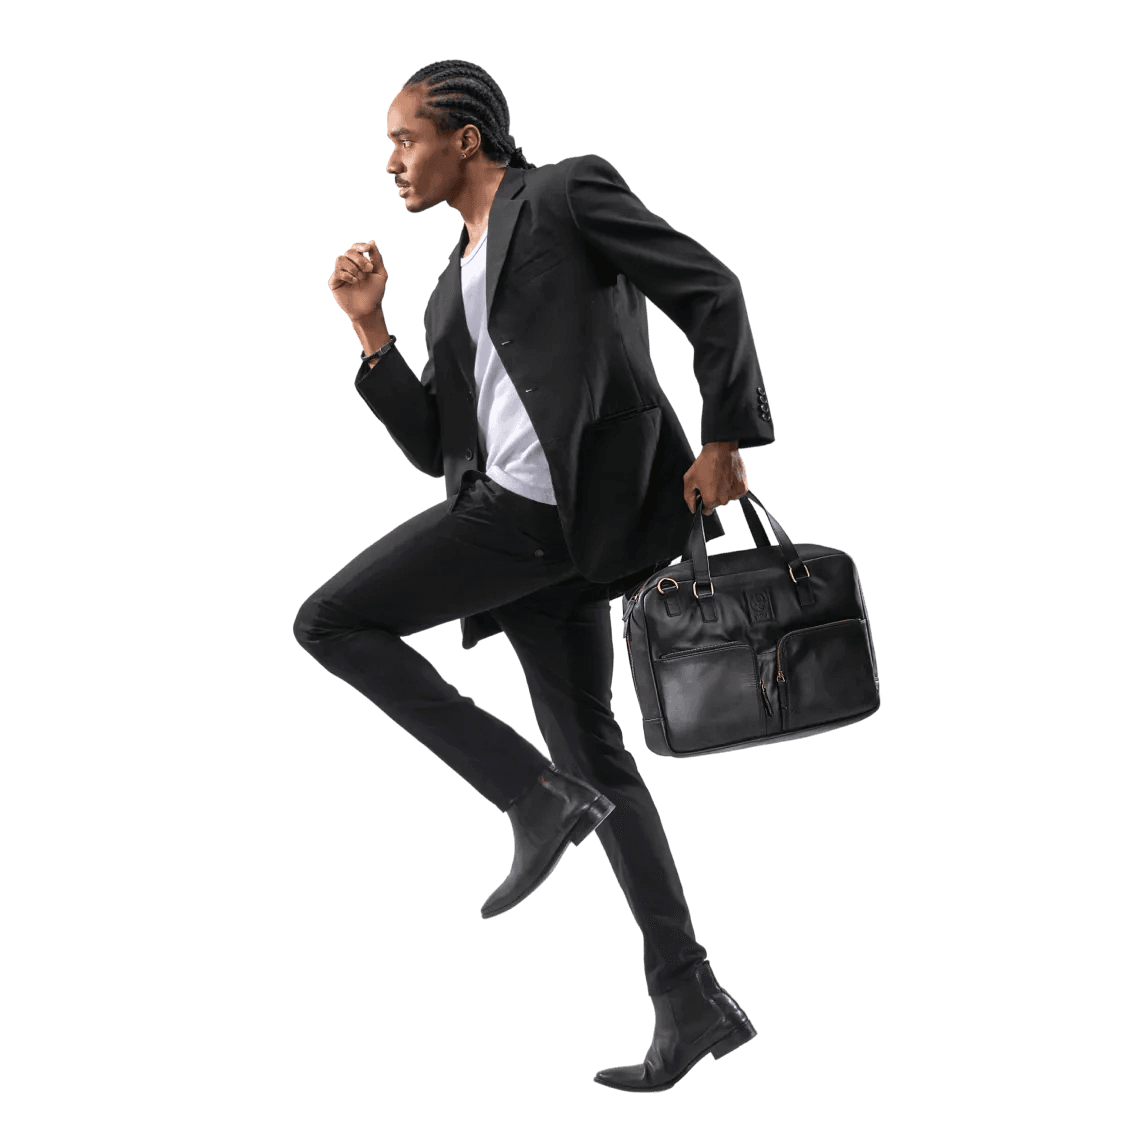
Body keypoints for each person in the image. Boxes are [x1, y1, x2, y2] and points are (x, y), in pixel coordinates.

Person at [293, 58, 775, 1093]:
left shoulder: (563, 194)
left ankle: (524, 795)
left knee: (330, 622)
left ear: (466, 136)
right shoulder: (440, 291)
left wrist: (729, 433)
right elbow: (438, 446)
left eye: (404, 138)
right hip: (529, 548)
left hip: (553, 517)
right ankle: (690, 1001)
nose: (392, 163)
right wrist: (371, 330)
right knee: (601, 764)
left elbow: (710, 287)